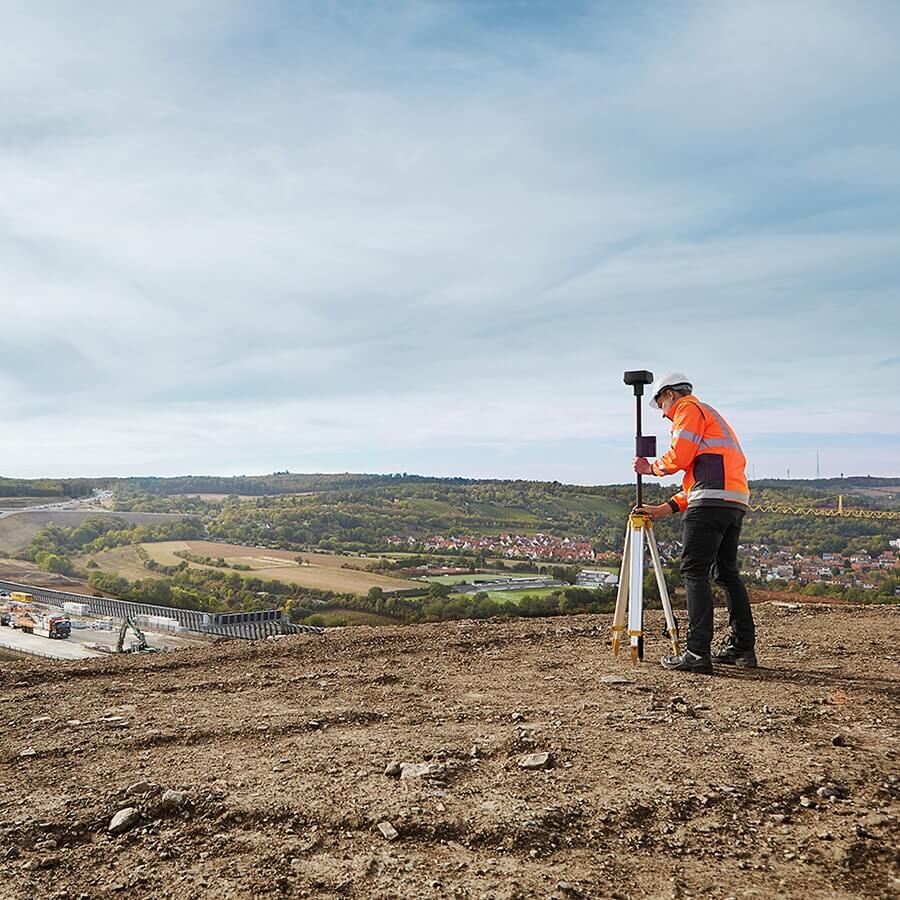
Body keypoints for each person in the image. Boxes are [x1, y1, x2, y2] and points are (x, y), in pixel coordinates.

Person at [633, 372, 757, 674]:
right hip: (733, 501)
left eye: (661, 404)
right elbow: (702, 478)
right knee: (727, 574)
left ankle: (696, 652)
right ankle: (742, 647)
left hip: (711, 503)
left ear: (671, 394)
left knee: (694, 571)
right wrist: (666, 507)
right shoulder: (709, 415)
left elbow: (680, 456)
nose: (663, 414)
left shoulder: (687, 409)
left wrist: (650, 468)